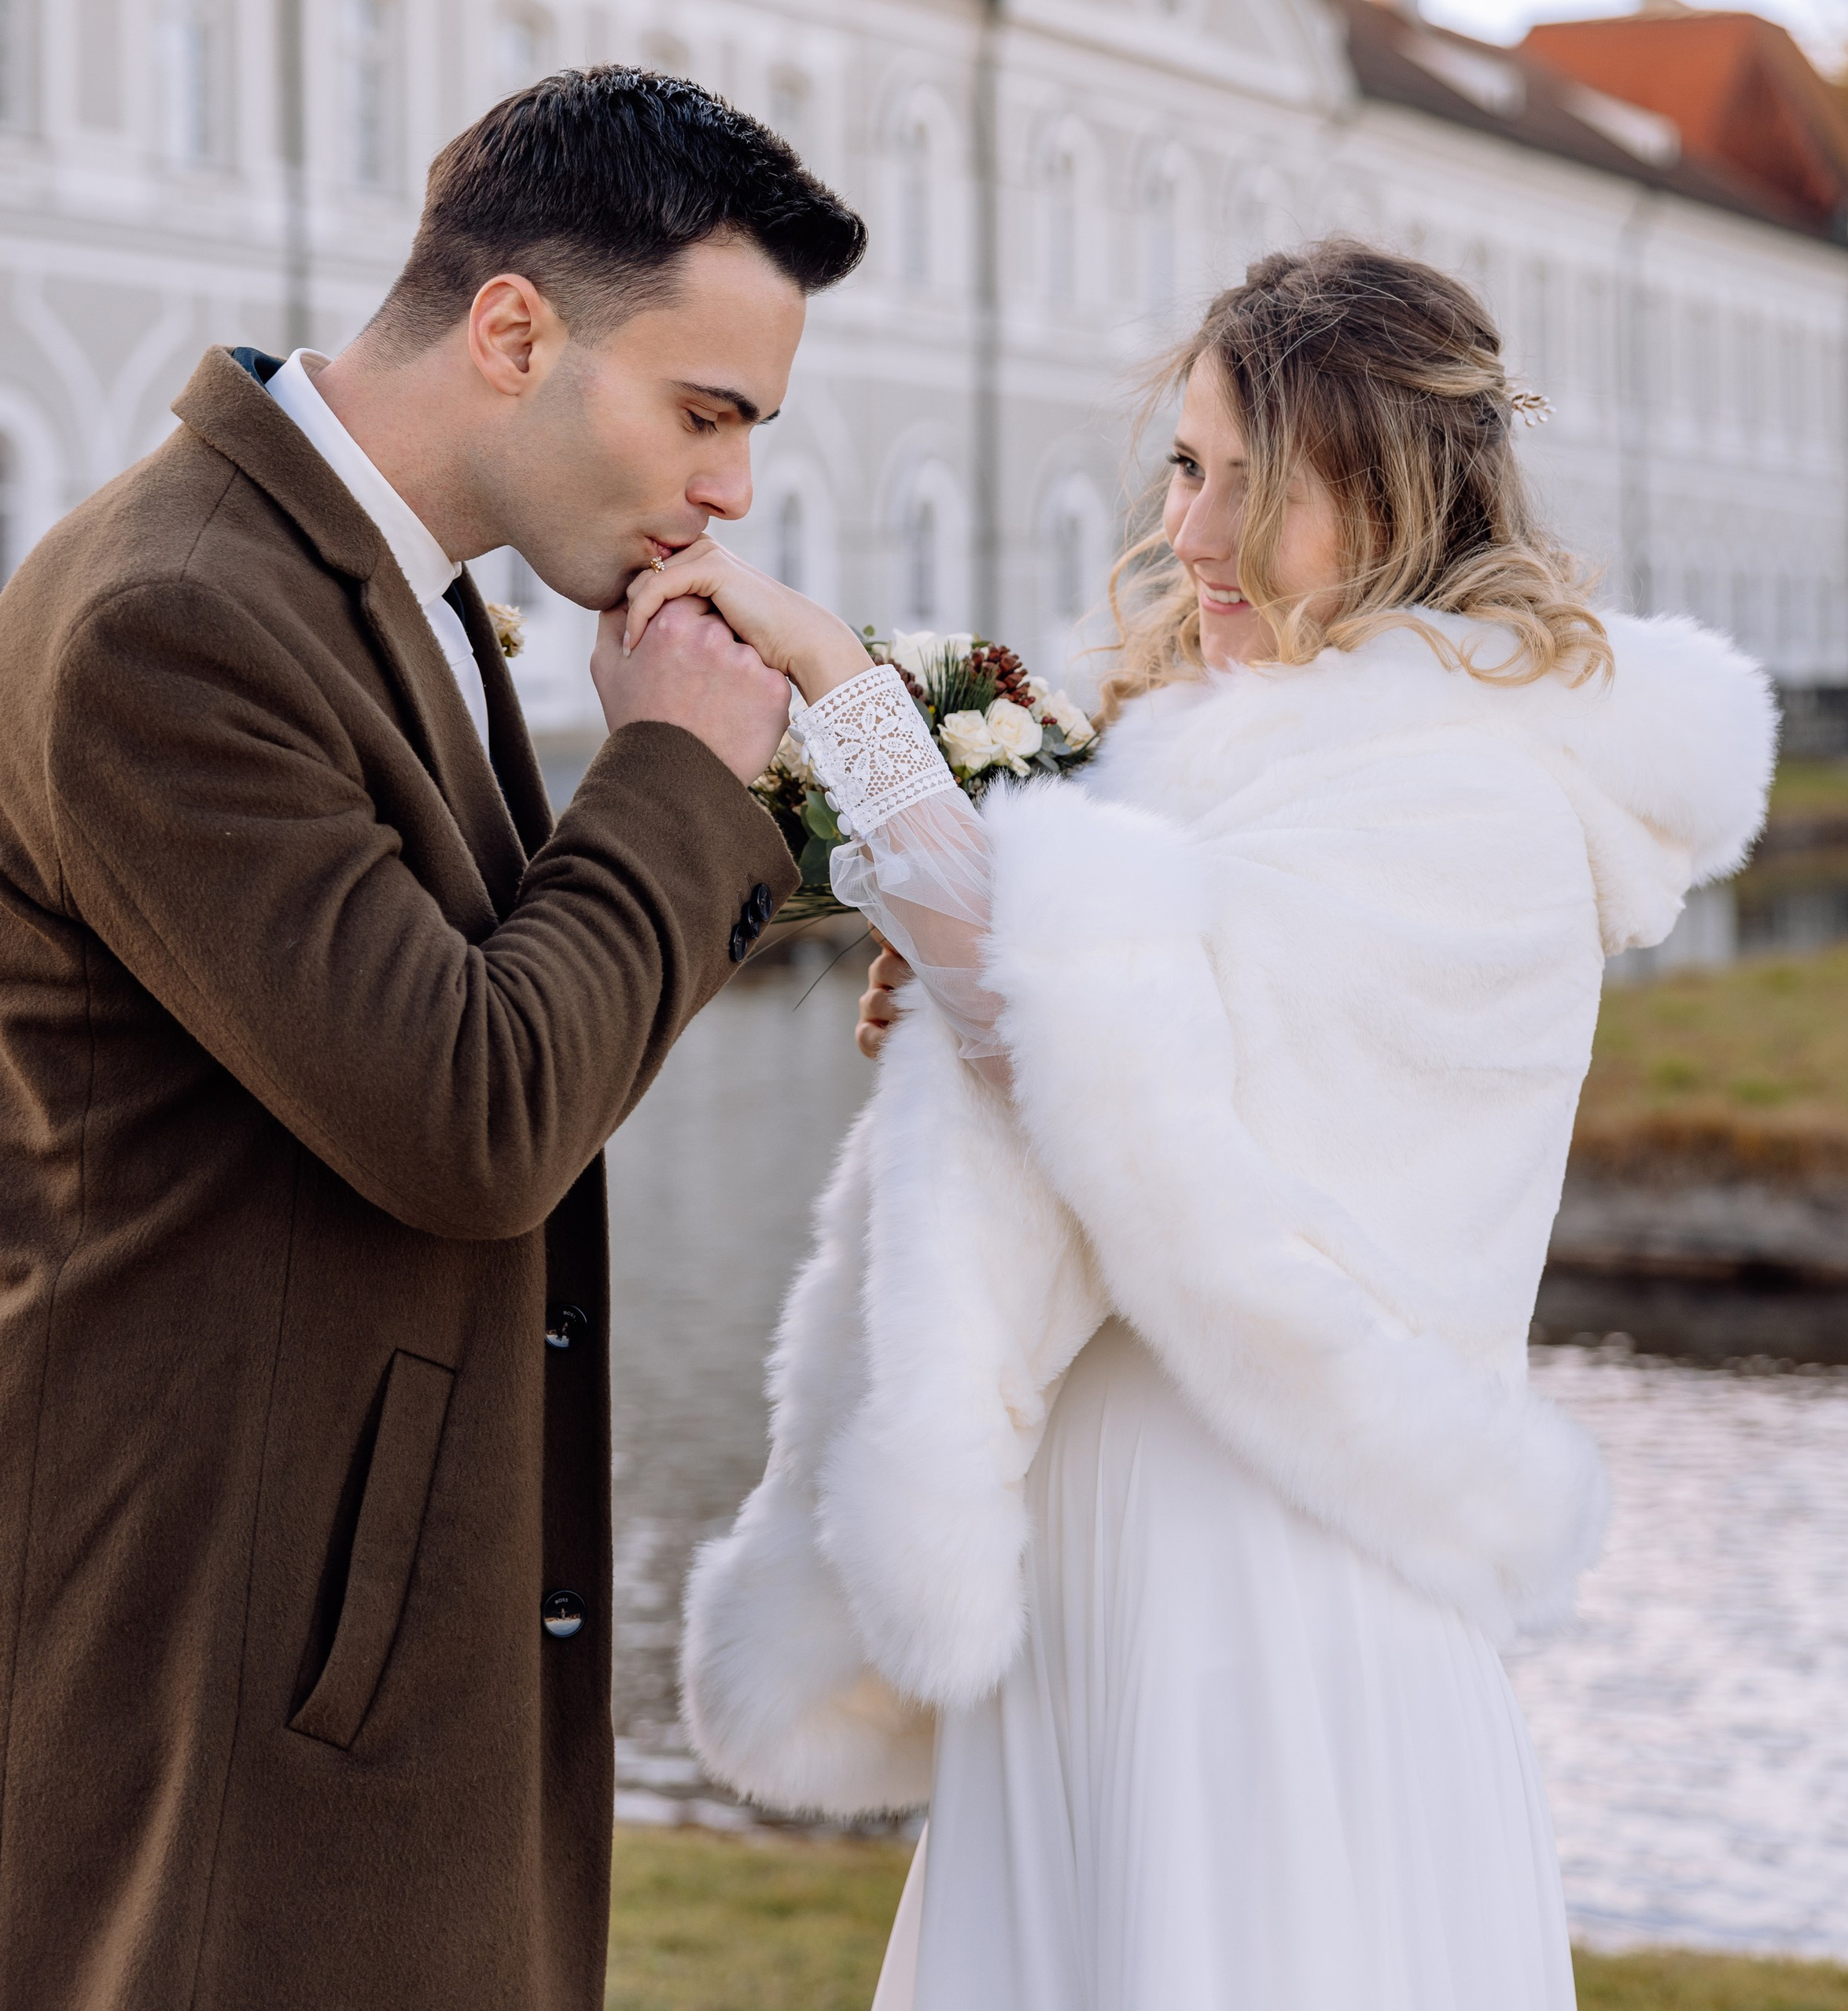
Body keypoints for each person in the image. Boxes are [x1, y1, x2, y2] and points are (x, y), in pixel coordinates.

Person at [624, 242, 1776, 2011]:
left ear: (1397, 490)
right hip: (1097, 1570)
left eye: (1268, 481)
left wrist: (856, 715)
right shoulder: (1232, 761)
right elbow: (1084, 1052)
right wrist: (956, 987)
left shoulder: (1462, 782)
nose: (1196, 530)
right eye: (1184, 464)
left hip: (1270, 1578)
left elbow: (1120, 1073)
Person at [0, 67, 864, 2011]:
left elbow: (532, 1011)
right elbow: (474, 1112)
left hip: (325, 1657)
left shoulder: (399, 603)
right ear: (513, 329)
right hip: (180, 1685)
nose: (729, 488)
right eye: (703, 411)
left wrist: (809, 818)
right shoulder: (172, 619)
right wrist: (666, 764)